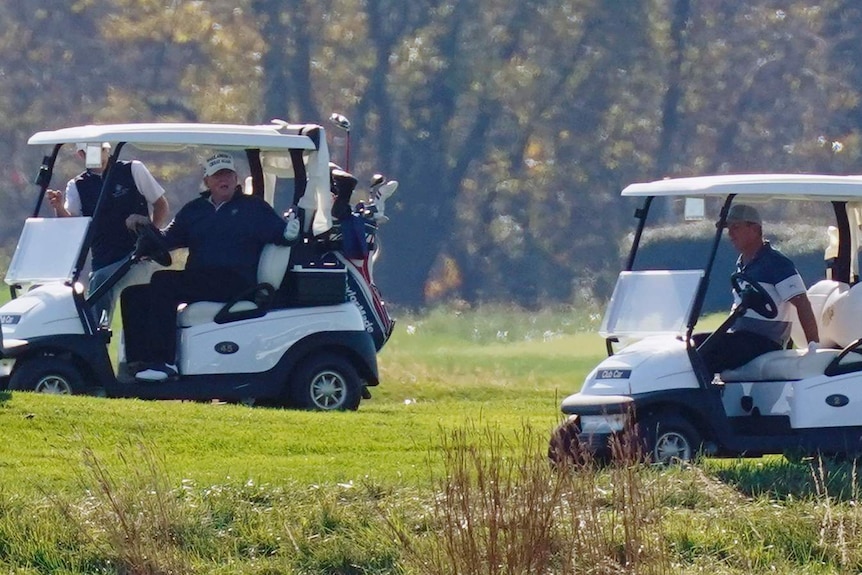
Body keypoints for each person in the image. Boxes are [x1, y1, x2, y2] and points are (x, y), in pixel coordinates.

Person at [120, 152, 301, 382]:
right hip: (203, 280)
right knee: (133, 294)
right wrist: (145, 228)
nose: (222, 180)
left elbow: (281, 234)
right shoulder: (195, 210)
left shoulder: (253, 208)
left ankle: (163, 362)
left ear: (236, 179)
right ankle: (138, 363)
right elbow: (168, 239)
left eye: (227, 174)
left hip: (237, 282)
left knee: (164, 282)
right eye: (217, 176)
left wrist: (290, 235)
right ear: (207, 181)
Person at [46, 142, 170, 324]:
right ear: (81, 154)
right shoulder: (77, 185)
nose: (99, 156)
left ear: (108, 150)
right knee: (99, 290)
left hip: (138, 257)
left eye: (101, 150)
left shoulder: (132, 170)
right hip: (104, 259)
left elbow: (161, 205)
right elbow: (72, 225)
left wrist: (150, 234)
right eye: (91, 152)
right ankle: (95, 344)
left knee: (105, 283)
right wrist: (58, 207)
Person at [697, 204, 820, 375]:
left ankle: (703, 401)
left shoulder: (776, 263)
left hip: (765, 342)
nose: (731, 234)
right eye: (729, 229)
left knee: (706, 354)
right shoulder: (742, 262)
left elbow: (802, 303)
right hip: (742, 337)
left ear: (755, 228)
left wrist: (814, 348)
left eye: (736, 228)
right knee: (691, 345)